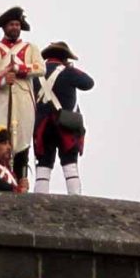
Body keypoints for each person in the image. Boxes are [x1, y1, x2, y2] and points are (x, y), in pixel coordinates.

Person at [0, 6, 44, 190]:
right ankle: (2, 180)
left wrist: (20, 69)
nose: (15, 27)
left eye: (17, 24)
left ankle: (21, 184)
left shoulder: (31, 48)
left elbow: (41, 68)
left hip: (23, 101)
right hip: (1, 99)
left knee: (22, 142)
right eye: (11, 24)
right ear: (5, 28)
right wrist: (1, 79)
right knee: (0, 139)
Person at [33, 41, 95, 195]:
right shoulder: (69, 72)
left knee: (43, 165)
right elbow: (88, 83)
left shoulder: (35, 74)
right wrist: (70, 70)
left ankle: (40, 196)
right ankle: (74, 196)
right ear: (65, 57)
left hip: (42, 126)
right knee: (69, 163)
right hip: (65, 124)